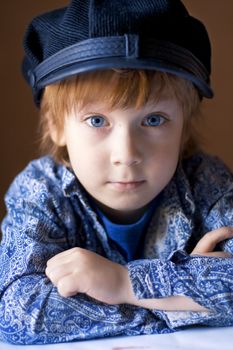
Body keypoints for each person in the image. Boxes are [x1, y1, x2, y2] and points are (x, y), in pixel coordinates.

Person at [0, 0, 233, 345]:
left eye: (153, 120)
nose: (126, 155)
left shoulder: (207, 182)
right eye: (97, 121)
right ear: (56, 126)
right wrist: (186, 300)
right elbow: (18, 313)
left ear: (183, 128)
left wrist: (123, 283)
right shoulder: (40, 191)